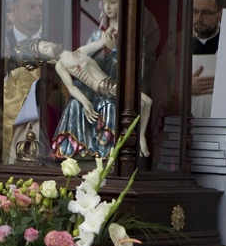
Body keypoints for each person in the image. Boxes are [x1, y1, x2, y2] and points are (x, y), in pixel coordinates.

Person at [17, 37, 152, 157]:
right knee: (145, 102)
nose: (50, 44)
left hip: (111, 82)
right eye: (45, 48)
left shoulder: (79, 52)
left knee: (147, 102)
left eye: (46, 42)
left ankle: (140, 136)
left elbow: (101, 42)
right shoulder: (61, 65)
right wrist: (85, 102)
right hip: (105, 87)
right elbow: (71, 87)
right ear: (47, 58)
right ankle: (140, 138)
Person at [2, 0, 45, 163]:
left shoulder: (52, 44)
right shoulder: (1, 44)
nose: (38, 12)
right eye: (31, 6)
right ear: (13, 10)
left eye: (41, 7)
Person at [191, 0, 224, 117]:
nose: (199, 18)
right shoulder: (178, 48)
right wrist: (185, 88)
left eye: (205, 12)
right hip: (186, 127)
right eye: (195, 11)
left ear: (219, 14)